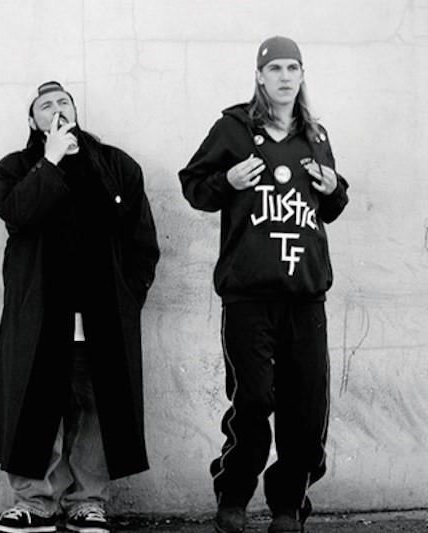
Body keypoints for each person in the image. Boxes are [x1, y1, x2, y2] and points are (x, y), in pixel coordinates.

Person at [178, 37, 349, 533]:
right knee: (252, 402)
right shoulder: (234, 128)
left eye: (292, 67)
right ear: (259, 76)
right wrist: (227, 181)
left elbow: (330, 207)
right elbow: (194, 186)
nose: (284, 76)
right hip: (249, 296)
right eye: (274, 68)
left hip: (306, 295)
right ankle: (233, 499)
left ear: (301, 74)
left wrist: (335, 188)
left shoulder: (315, 135)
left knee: (307, 408)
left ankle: (288, 507)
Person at [0, 81, 160, 533]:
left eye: (64, 102)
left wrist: (130, 294)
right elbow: (18, 213)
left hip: (102, 315)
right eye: (45, 106)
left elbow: (142, 238)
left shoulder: (116, 165)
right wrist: (51, 161)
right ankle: (35, 504)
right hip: (41, 315)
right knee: (34, 407)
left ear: (76, 112)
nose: (57, 109)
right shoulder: (14, 169)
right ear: (33, 122)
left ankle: (88, 501)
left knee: (96, 408)